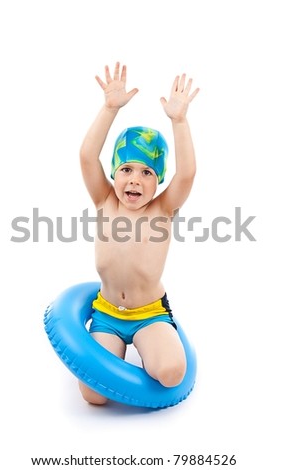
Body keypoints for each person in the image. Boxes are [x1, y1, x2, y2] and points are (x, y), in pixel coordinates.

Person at [79, 62, 199, 405]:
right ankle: (121, 350)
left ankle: (153, 346)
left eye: (147, 172)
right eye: (126, 168)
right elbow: (87, 156)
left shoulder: (162, 210)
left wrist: (179, 121)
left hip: (149, 313)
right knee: (93, 396)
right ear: (115, 173)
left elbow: (187, 175)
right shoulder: (104, 201)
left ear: (158, 180)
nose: (134, 179)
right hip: (107, 312)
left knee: (172, 372)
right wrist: (109, 109)